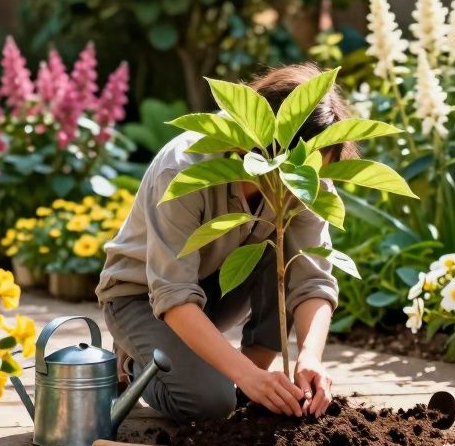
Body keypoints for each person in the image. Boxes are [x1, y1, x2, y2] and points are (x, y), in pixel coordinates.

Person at [96, 63, 356, 422]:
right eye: (296, 168)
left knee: (279, 251)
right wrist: (244, 377)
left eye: (314, 171)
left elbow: (312, 279)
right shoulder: (184, 168)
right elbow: (173, 293)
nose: (303, 184)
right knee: (209, 403)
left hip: (215, 289)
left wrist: (310, 358)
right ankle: (133, 361)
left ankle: (251, 376)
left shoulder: (306, 177)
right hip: (142, 296)